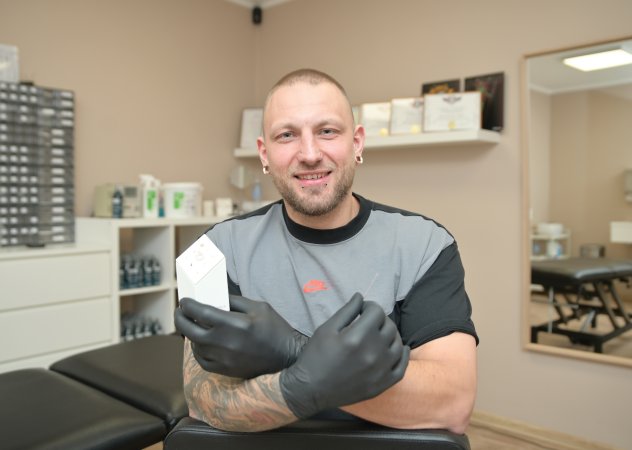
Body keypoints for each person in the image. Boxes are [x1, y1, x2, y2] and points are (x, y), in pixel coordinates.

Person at [174, 68, 478, 434]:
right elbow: (204, 400)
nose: (309, 154)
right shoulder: (219, 250)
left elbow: (450, 404)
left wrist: (292, 352)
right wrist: (309, 379)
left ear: (357, 143)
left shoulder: (423, 245)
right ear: (264, 153)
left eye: (327, 131)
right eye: (287, 135)